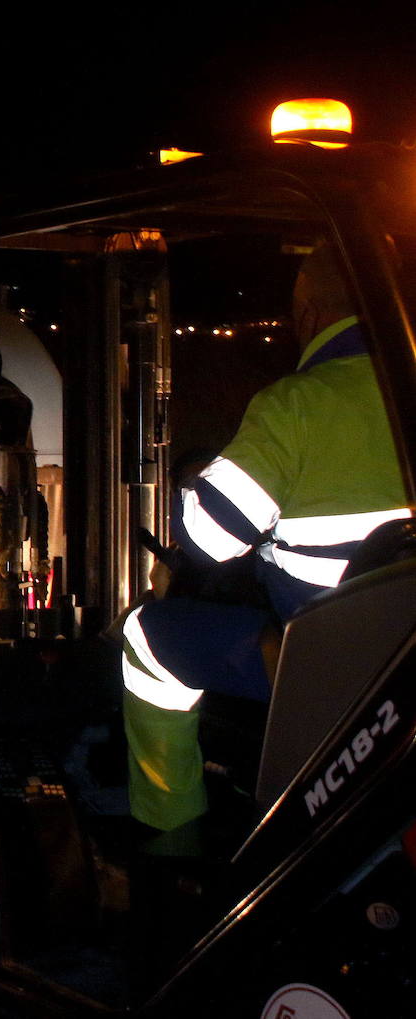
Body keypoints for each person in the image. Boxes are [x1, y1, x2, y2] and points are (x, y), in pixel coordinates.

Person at [121, 243, 411, 831]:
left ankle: (168, 831)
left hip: (334, 663)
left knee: (147, 638)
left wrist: (194, 489)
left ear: (307, 314)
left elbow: (211, 538)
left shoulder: (298, 405)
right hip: (406, 654)